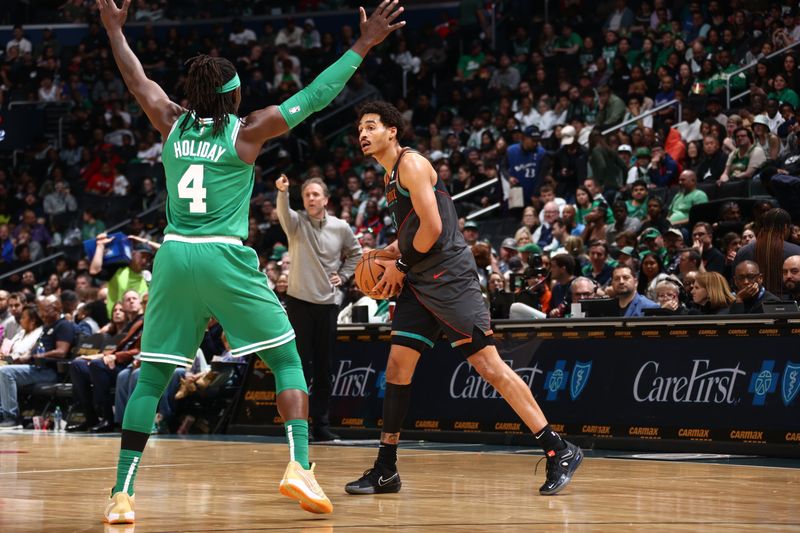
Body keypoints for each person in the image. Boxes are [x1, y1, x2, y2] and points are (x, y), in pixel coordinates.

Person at [96, 0, 405, 523]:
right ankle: (299, 465)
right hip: (223, 253)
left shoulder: (168, 120)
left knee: (150, 381)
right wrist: (364, 44)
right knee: (287, 361)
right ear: (232, 94)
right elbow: (314, 96)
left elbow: (135, 77)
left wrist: (113, 29)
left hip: (172, 256)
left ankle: (121, 496)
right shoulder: (247, 129)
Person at [347, 100, 582, 496]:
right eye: (359, 130)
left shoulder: (411, 164)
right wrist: (384, 253)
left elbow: (434, 228)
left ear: (393, 131)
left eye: (371, 126)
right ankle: (386, 468)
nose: (363, 135)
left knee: (490, 367)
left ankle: (559, 449)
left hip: (449, 279)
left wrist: (398, 266)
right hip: (419, 283)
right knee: (397, 369)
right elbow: (413, 231)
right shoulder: (389, 176)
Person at [276, 175, 361, 441]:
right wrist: (283, 191)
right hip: (299, 303)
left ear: (325, 199)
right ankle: (297, 427)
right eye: (306, 195)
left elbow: (357, 254)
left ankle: (321, 426)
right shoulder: (296, 223)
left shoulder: (341, 227)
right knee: (298, 367)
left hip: (327, 305)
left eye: (315, 194)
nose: (311, 199)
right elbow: (282, 211)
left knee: (324, 369)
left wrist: (344, 276)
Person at [0, 296, 75, 427]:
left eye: (44, 310)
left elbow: (62, 351)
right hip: (35, 367)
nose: (41, 314)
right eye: (40, 310)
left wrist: (38, 356)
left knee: (5, 373)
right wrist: (25, 356)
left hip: (50, 371)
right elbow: (34, 350)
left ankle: (11, 417)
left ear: (56, 309)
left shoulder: (64, 326)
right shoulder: (47, 327)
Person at [733, 208, 800, 298]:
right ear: (785, 227)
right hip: (789, 306)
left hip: (752, 306)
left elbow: (735, 283)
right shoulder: (796, 251)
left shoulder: (743, 251)